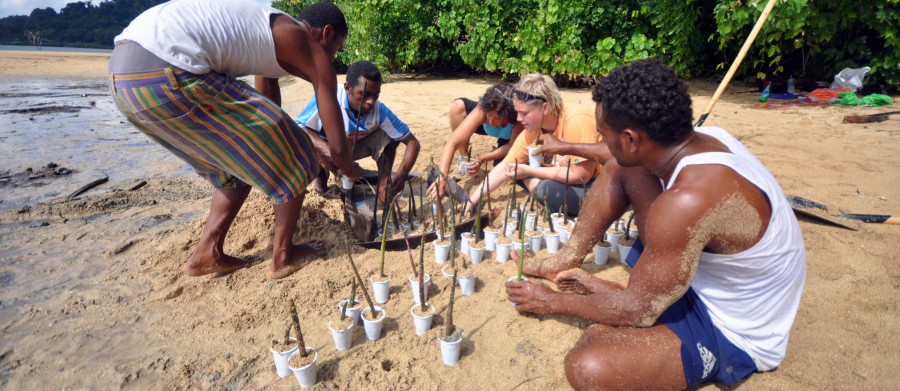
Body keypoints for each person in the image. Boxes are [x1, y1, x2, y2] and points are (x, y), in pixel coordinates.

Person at [506, 59, 807, 390]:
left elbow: (637, 312)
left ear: (632, 138)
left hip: (732, 327)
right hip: (698, 280)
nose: (602, 141)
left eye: (604, 133)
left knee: (589, 365)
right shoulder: (701, 138)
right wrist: (566, 146)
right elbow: (613, 156)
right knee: (621, 166)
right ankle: (569, 260)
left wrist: (551, 301)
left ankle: (641, 303)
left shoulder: (686, 201)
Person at [108, 0, 361, 279]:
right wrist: (349, 170)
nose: (332, 57)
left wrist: (294, 146)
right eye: (336, 48)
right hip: (171, 71)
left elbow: (265, 121)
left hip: (127, 85)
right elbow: (337, 146)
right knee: (298, 154)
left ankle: (206, 253)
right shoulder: (304, 41)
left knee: (239, 160)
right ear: (325, 33)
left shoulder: (269, 34)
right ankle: (283, 257)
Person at [462, 74, 601, 217]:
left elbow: (581, 175)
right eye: (517, 113)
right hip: (566, 177)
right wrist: (471, 201)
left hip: (599, 186)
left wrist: (529, 171)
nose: (518, 119)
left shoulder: (576, 120)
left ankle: (537, 189)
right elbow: (505, 167)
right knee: (517, 167)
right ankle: (536, 188)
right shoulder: (534, 128)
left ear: (545, 108)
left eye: (524, 113)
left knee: (546, 190)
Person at [296, 60, 420, 202]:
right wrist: (329, 152)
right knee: (312, 143)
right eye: (364, 94)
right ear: (348, 88)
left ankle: (383, 185)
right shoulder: (328, 97)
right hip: (326, 151)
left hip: (349, 149)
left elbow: (413, 143)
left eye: (375, 95)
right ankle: (321, 183)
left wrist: (400, 175)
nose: (370, 101)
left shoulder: (379, 111)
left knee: (388, 135)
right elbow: (299, 128)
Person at [428, 83, 525, 199]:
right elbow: (452, 142)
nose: (492, 123)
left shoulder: (518, 117)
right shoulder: (483, 108)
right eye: (489, 116)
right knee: (457, 106)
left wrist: (482, 158)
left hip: (507, 137)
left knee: (503, 165)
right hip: (484, 128)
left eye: (498, 118)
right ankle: (464, 159)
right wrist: (442, 177)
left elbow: (510, 146)